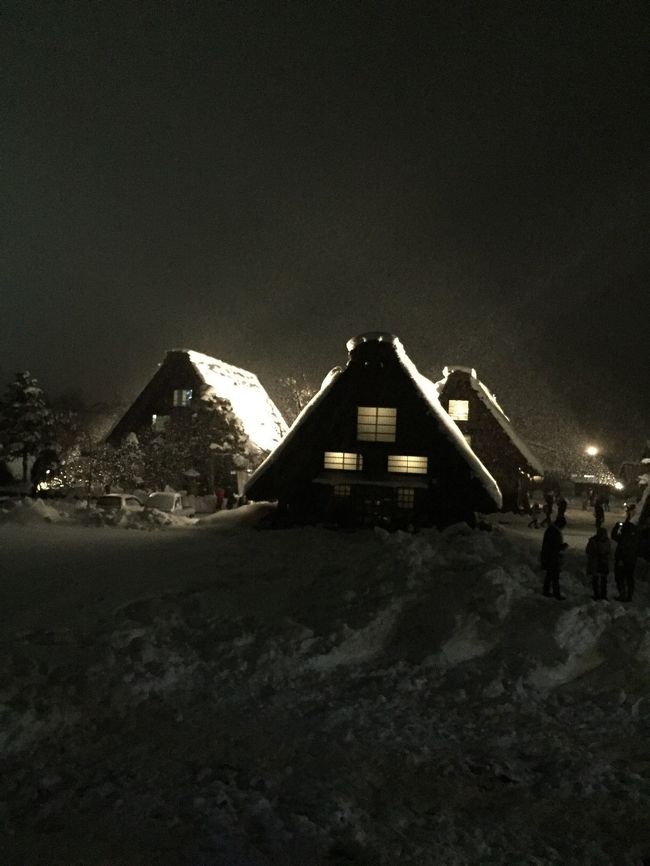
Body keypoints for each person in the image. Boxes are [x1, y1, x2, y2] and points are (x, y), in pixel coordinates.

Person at [611, 507, 638, 602]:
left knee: (620, 577)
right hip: (632, 560)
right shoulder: (635, 538)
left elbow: (614, 536)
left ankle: (622, 594)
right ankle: (629, 595)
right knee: (629, 578)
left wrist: (616, 527)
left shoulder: (623, 538)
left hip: (622, 560)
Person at [540, 519, 568, 599]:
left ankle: (546, 591)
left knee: (549, 575)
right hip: (552, 557)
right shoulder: (554, 532)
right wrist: (562, 547)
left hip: (549, 556)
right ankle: (556, 594)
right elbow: (554, 546)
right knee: (555, 576)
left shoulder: (551, 530)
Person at [586, 526, 611, 600]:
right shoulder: (606, 541)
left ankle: (599, 594)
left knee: (598, 579)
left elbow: (588, 550)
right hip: (600, 562)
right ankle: (601, 594)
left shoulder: (593, 540)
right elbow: (609, 551)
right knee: (600, 579)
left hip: (597, 562)